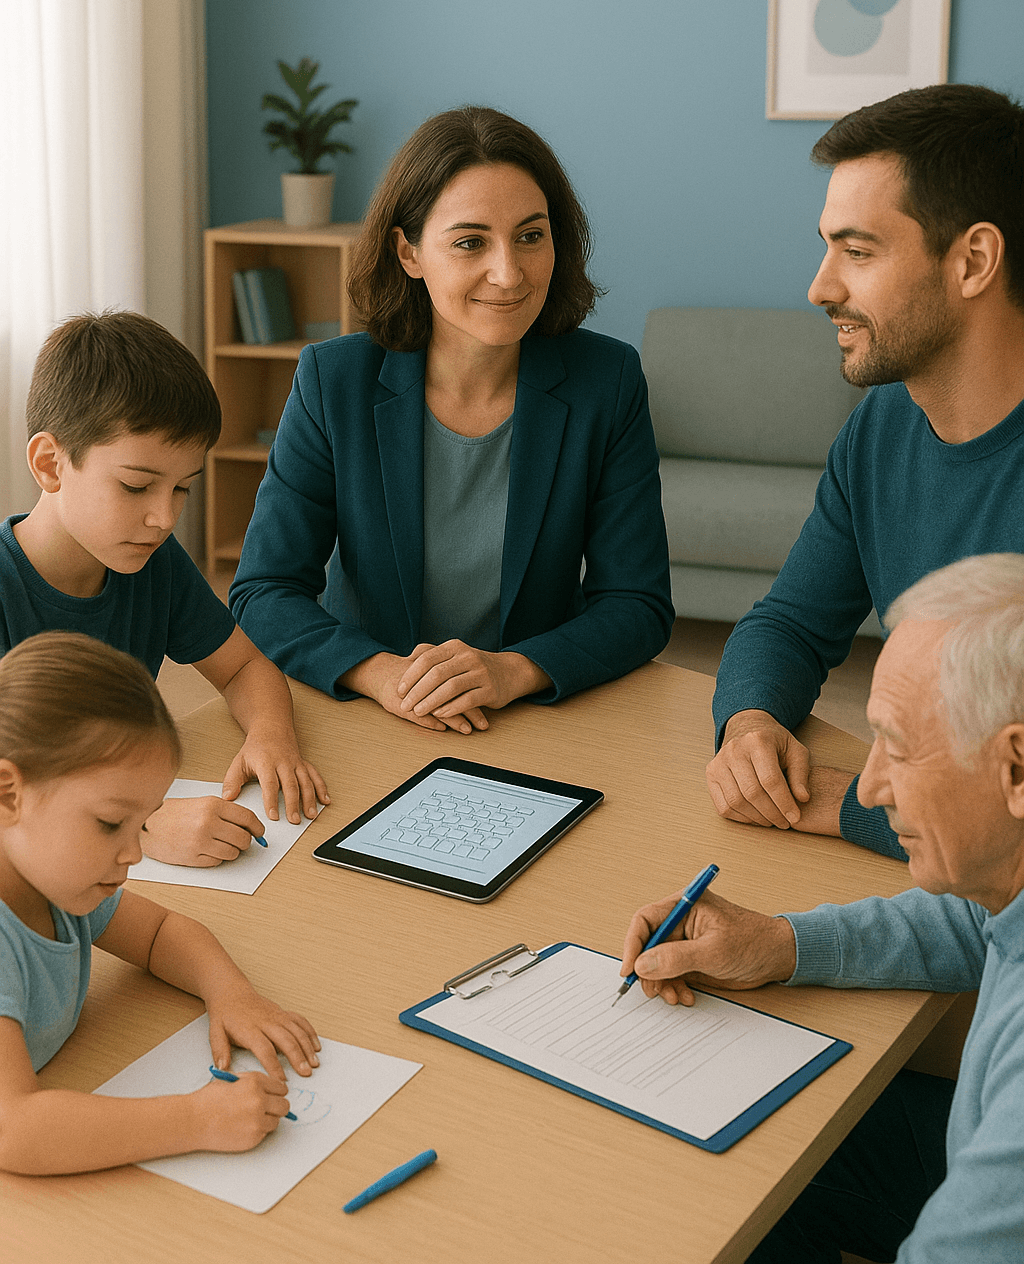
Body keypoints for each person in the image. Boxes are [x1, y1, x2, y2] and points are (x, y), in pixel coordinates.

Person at [625, 553, 1024, 1262]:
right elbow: (976, 922)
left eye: (897, 750)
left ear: (1017, 768)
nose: (867, 789)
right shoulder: (1006, 886)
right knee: (775, 1150)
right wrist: (776, 943)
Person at [230, 106, 673, 730]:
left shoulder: (609, 381)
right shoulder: (334, 382)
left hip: (532, 715)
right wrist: (381, 673)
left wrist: (512, 670)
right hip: (371, 710)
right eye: (470, 242)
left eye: (530, 235)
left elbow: (637, 604)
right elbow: (263, 590)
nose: (509, 272)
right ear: (408, 252)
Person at [708, 83, 1024, 860]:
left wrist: (844, 806)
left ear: (973, 261)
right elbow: (788, 623)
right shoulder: (881, 427)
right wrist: (750, 723)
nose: (821, 287)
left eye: (857, 250)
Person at [2, 312, 329, 866]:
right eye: (136, 486)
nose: (163, 518)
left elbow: (245, 668)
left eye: (181, 488)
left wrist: (270, 737)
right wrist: (141, 827)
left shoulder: (151, 562)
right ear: (50, 464)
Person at [0, 633, 320, 1174]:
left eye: (143, 820)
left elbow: (159, 933)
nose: (133, 851)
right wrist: (196, 1120)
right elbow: (15, 1132)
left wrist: (230, 993)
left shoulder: (55, 880)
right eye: (109, 823)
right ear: (9, 794)